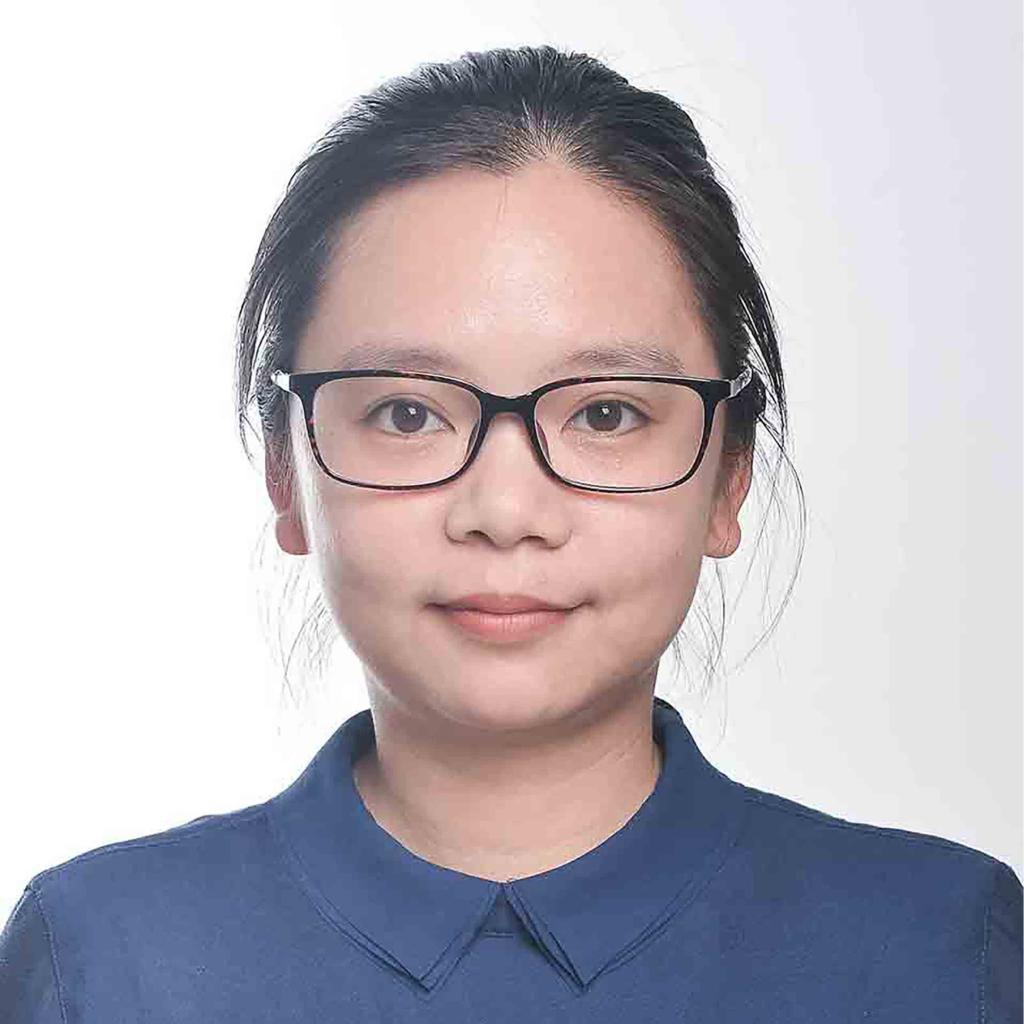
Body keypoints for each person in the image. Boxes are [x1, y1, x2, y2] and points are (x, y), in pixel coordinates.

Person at [1, 43, 1020, 1022]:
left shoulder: (944, 949)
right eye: (407, 412)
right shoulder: (102, 958)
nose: (504, 512)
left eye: (607, 413)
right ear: (285, 470)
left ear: (729, 475)